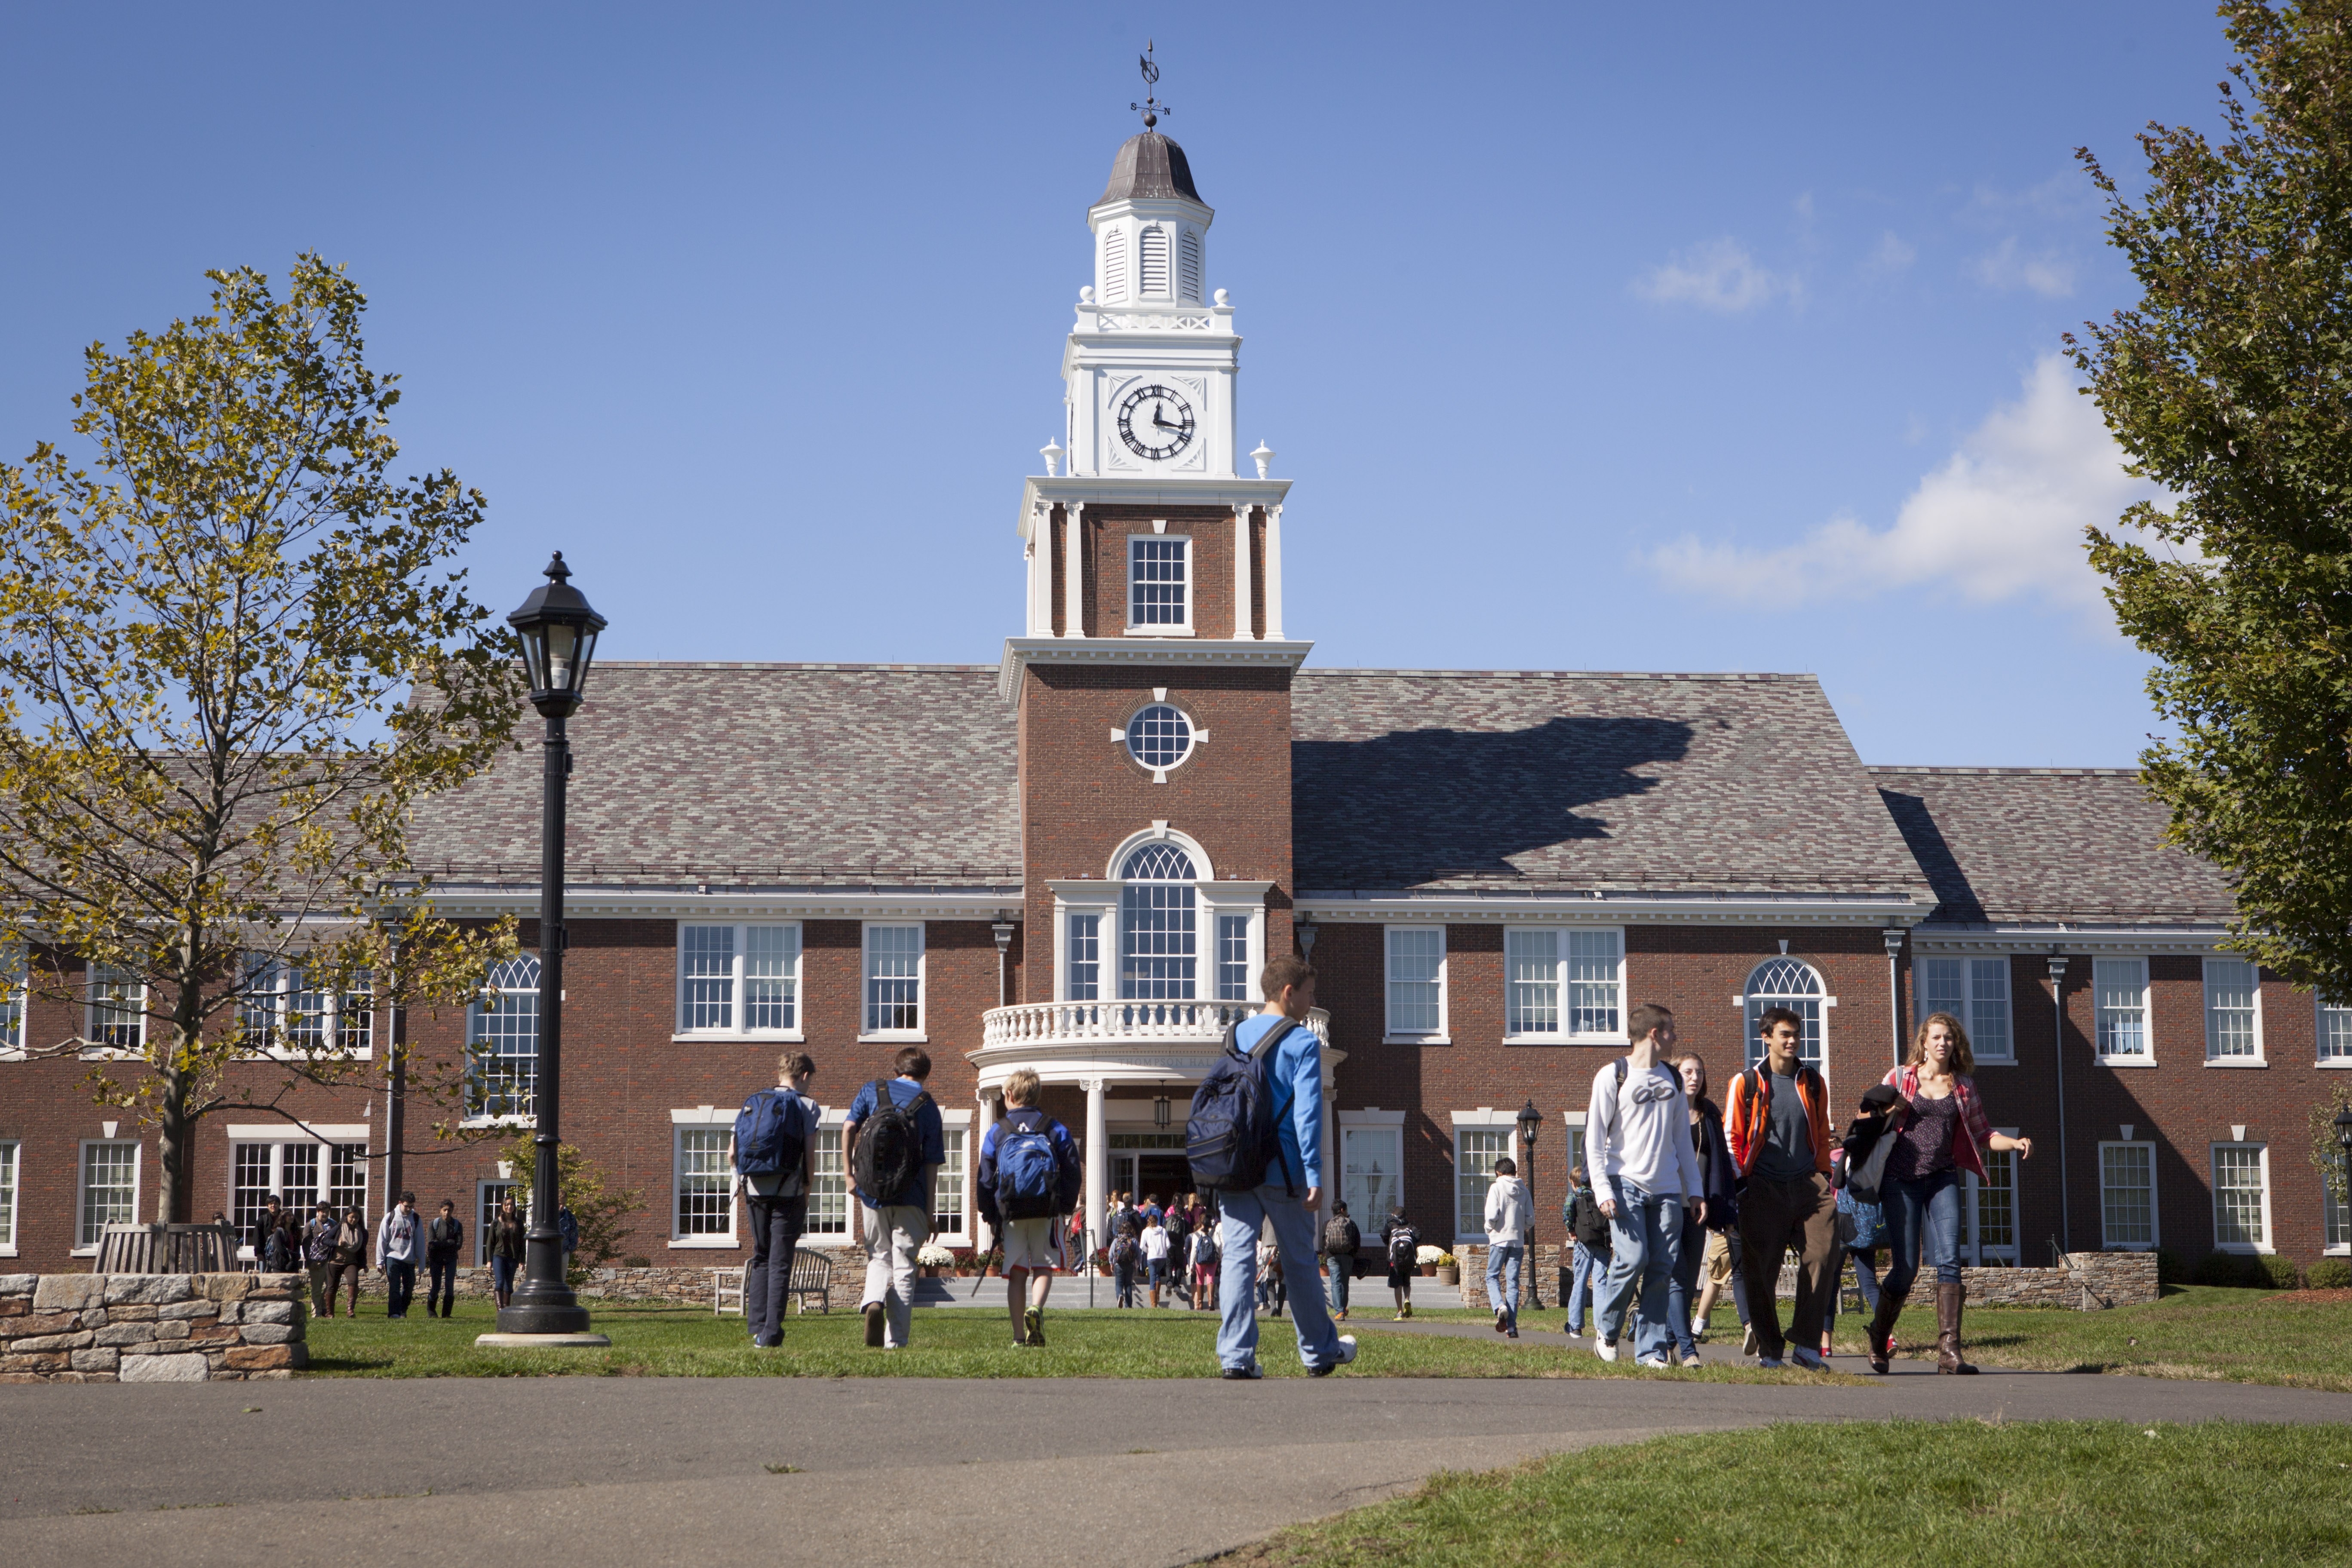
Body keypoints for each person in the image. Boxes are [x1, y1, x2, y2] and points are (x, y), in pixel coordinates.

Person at [1208, 954, 1355, 1378]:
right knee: (1299, 1261)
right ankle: (1319, 1351)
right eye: (1309, 993)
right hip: (1282, 1168)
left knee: (1237, 1258)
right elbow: (1307, 1115)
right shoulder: (1303, 1042)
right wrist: (1314, 1174)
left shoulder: (1234, 1032)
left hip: (1236, 1163)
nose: (1312, 1001)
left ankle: (1235, 1356)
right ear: (1289, 993)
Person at [1867, 1013, 2034, 1376]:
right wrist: (1888, 1110)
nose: (1943, 1043)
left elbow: (1983, 1133)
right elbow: (1867, 1119)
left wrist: (2015, 1143)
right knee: (1906, 1268)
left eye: (1950, 1038)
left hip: (1942, 1178)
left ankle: (1949, 1351)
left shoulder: (1963, 1086)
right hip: (1900, 1181)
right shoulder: (1900, 1078)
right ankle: (1879, 1336)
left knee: (1949, 1260)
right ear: (1924, 1043)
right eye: (1937, 1037)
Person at [1587, 1002, 1704, 1369]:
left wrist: (1695, 1189)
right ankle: (1607, 1330)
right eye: (1671, 1031)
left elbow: (1682, 1141)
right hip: (1625, 1185)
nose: (1675, 1038)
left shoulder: (1672, 1079)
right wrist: (1603, 1191)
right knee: (1633, 1258)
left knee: (1660, 1269)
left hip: (1668, 1190)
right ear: (1655, 1034)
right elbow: (1593, 1141)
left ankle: (1651, 1350)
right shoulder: (1612, 1076)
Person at [1725, 1008, 1836, 1370]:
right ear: (1766, 1037)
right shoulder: (1747, 1082)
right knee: (1761, 1271)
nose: (1791, 1041)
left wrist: (1824, 1175)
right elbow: (1733, 1138)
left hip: (1808, 1185)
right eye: (1784, 1034)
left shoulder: (1814, 1082)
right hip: (1762, 1186)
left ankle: (1806, 1344)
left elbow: (1822, 1133)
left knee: (1822, 1253)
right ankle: (1771, 1350)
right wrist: (1741, 1183)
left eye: (1796, 1035)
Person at [844, 1046, 946, 1350]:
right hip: (912, 1195)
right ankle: (897, 1340)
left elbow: (849, 1126)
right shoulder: (928, 1106)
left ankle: (874, 1299)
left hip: (872, 1191)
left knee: (879, 1254)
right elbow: (932, 1163)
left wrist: (850, 1175)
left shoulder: (872, 1090)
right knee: (904, 1265)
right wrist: (930, 1211)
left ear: (896, 1069)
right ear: (926, 1074)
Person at [976, 1066, 1080, 1347]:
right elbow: (1072, 1169)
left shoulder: (998, 1131)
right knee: (1044, 1266)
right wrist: (1065, 1205)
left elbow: (985, 1177)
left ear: (1009, 1095)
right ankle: (1036, 1308)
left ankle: (1018, 1337)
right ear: (1037, 1094)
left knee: (1017, 1272)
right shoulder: (1054, 1127)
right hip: (1046, 1208)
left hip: (1011, 1211)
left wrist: (990, 1214)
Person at [736, 1051, 819, 1349]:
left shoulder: (754, 1100)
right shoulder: (807, 1105)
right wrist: (806, 1192)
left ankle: (756, 1325)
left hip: (755, 1189)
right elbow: (809, 1157)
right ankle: (771, 1333)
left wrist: (742, 1180)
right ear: (805, 1076)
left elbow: (733, 1154)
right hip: (789, 1190)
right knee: (781, 1261)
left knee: (761, 1256)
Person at [1665, 1052, 1740, 1367]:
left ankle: (1667, 1342)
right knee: (1676, 1277)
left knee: (1688, 1281)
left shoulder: (1708, 1112)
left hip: (1697, 1206)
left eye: (1699, 1071)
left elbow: (1721, 1162)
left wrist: (1724, 1207)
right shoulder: (1665, 1109)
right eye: (1687, 1071)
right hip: (1666, 1203)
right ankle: (1688, 1350)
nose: (1694, 1077)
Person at [1483, 1155, 1533, 1337]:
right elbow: (1531, 1220)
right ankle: (1511, 1327)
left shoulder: (1496, 1187)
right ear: (1515, 1172)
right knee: (1513, 1284)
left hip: (1499, 1240)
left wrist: (1489, 1229)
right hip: (1518, 1241)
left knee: (1492, 1276)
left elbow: (1491, 1216)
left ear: (1499, 1172)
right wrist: (1520, 1228)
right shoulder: (1524, 1191)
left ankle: (1499, 1306)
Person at [1561, 1166, 1610, 1338]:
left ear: (1574, 1183)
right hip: (1602, 1243)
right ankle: (1602, 1328)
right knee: (1601, 1283)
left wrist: (1571, 1230)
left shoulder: (1575, 1196)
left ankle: (1575, 1326)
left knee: (1580, 1282)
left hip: (1583, 1244)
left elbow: (1567, 1212)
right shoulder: (1599, 1196)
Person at [375, 1191, 424, 1319]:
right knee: (395, 1288)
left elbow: (420, 1242)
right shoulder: (390, 1217)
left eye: (411, 1207)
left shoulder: (416, 1219)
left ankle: (403, 1310)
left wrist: (422, 1262)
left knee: (409, 1288)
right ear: (400, 1203)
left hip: (409, 1259)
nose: (409, 1209)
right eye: (407, 1206)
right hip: (392, 1257)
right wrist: (380, 1262)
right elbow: (382, 1240)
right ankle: (394, 1313)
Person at [1321, 1200, 1360, 1322]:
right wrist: (1352, 1254)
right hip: (1347, 1256)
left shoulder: (1327, 1224)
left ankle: (1339, 1312)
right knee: (1344, 1283)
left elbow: (1324, 1241)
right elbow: (1357, 1241)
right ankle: (1343, 1308)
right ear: (1343, 1210)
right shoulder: (1351, 1223)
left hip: (1332, 1257)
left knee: (1335, 1283)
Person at [425, 1199, 464, 1319]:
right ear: (440, 1211)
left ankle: (447, 1314)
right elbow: (432, 1243)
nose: (447, 1213)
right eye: (445, 1210)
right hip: (436, 1258)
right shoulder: (434, 1224)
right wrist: (448, 1243)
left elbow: (459, 1245)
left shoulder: (457, 1225)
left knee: (449, 1285)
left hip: (451, 1259)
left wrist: (442, 1244)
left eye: (449, 1210)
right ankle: (431, 1312)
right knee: (436, 1286)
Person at [302, 1200, 340, 1318]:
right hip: (316, 1261)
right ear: (318, 1212)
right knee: (317, 1289)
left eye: (327, 1212)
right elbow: (305, 1244)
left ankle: (325, 1309)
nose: (325, 1214)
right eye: (322, 1212)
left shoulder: (334, 1224)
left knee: (331, 1287)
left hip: (330, 1260)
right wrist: (309, 1261)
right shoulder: (311, 1224)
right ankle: (316, 1313)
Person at [329, 1205, 368, 1318]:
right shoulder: (339, 1228)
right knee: (332, 1287)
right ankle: (330, 1313)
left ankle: (350, 1310)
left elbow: (362, 1250)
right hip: (334, 1262)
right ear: (346, 1216)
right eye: (352, 1217)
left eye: (357, 1218)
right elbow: (326, 1240)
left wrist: (364, 1264)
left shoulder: (363, 1233)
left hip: (351, 1262)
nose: (354, 1220)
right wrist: (337, 1243)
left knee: (354, 1282)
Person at [1381, 1205, 1419, 1320]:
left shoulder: (1390, 1225)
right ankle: (1407, 1299)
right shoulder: (1410, 1225)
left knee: (1397, 1285)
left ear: (1394, 1215)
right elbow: (1419, 1235)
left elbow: (1384, 1236)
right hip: (1408, 1259)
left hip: (1395, 1260)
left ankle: (1400, 1312)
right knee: (1407, 1282)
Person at [488, 1194, 526, 1309]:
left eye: (512, 1204)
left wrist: (522, 1261)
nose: (510, 1207)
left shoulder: (519, 1223)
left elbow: (522, 1243)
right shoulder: (496, 1222)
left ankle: (507, 1310)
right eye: (507, 1204)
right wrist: (489, 1261)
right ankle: (500, 1310)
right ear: (503, 1207)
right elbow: (490, 1242)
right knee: (500, 1282)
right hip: (499, 1256)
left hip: (513, 1258)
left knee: (509, 1285)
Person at [1108, 1194, 1141, 1308]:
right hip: (1130, 1264)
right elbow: (1138, 1253)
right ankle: (1129, 1305)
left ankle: (1119, 1296)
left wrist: (1111, 1263)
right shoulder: (1133, 1240)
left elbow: (1112, 1252)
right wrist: (1137, 1264)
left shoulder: (1117, 1239)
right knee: (1128, 1284)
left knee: (1119, 1283)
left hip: (1119, 1264)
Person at [245, 1193, 285, 1272]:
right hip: (265, 1254)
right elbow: (257, 1236)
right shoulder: (262, 1219)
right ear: (268, 1206)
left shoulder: (285, 1218)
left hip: (281, 1253)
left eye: (276, 1204)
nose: (273, 1206)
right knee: (264, 1275)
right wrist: (258, 1253)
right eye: (271, 1204)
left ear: (279, 1205)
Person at [1188, 1221, 1219, 1311]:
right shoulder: (1214, 1232)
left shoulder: (1196, 1235)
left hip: (1200, 1260)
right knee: (1211, 1278)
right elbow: (1219, 1244)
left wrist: (1191, 1265)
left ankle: (1200, 1303)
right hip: (1213, 1259)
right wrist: (1219, 1255)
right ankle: (1211, 1302)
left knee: (1200, 1279)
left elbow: (1194, 1250)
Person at [1142, 1214, 1171, 1308]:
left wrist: (1148, 1251)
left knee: (1152, 1278)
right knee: (1157, 1274)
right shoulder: (1163, 1230)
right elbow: (1168, 1245)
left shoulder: (1146, 1231)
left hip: (1152, 1256)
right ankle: (1157, 1295)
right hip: (1162, 1257)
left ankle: (1154, 1303)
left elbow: (1142, 1246)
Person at [1256, 1237, 1285, 1317]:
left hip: (1268, 1246)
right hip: (1284, 1246)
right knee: (1283, 1279)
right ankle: (1279, 1310)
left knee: (1270, 1279)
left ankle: (1274, 1308)